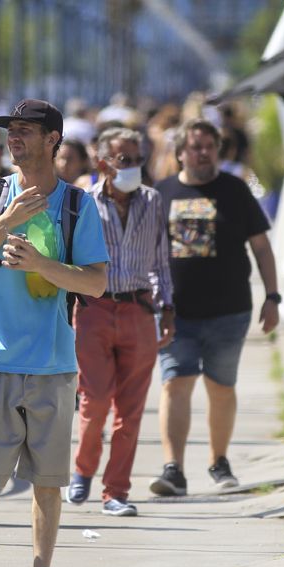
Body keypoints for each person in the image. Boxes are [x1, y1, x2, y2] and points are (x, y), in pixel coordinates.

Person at [0, 99, 108, 567]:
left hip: (53, 360)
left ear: (53, 140)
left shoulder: (77, 206)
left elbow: (97, 283)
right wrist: (3, 223)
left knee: (47, 478)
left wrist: (43, 263)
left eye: (25, 130)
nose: (14, 138)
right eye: (10, 131)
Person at [150, 118, 279, 496]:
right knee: (175, 383)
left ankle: (218, 461)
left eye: (209, 146)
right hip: (176, 312)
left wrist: (272, 297)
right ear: (180, 153)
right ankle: (173, 469)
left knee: (221, 387)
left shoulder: (235, 190)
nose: (202, 153)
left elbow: (261, 247)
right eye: (194, 146)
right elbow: (148, 251)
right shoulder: (162, 193)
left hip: (229, 310)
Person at [68, 127, 174, 517]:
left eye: (137, 159)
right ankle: (83, 467)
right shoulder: (84, 203)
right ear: (103, 164)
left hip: (138, 309)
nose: (131, 167)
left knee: (129, 410)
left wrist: (168, 308)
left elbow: (162, 258)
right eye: (123, 159)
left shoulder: (152, 201)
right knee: (94, 401)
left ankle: (116, 491)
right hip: (95, 309)